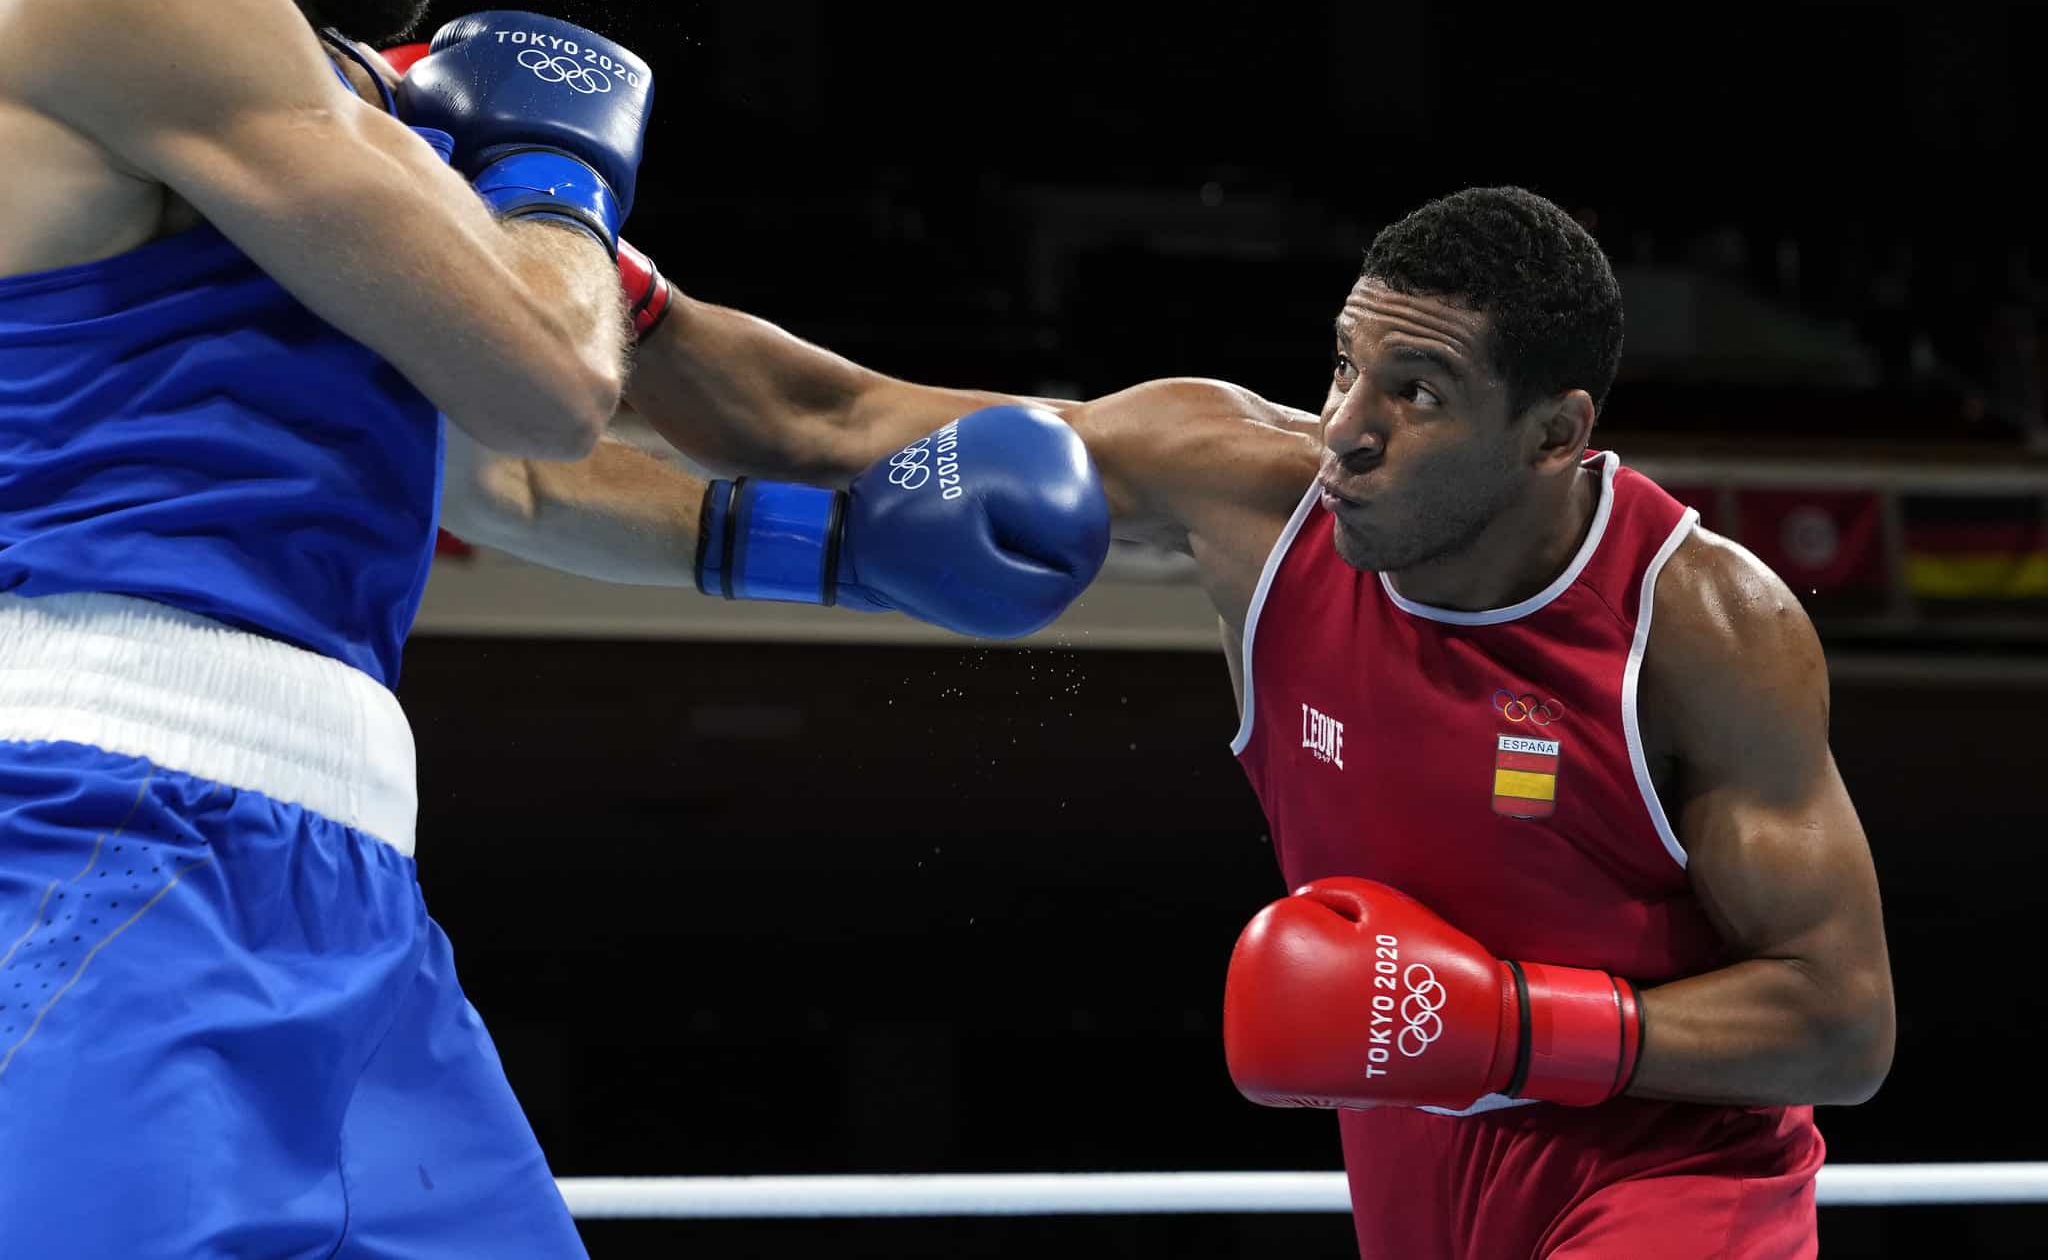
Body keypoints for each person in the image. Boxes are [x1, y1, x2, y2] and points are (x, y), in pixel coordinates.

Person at [0, 0, 1106, 1256]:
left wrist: (848, 553)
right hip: (94, 834)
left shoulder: (332, 94)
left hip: (347, 883)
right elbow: (548, 369)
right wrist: (556, 177)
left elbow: (507, 469)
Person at [584, 184, 1896, 1257]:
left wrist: (1511, 1025)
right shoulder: (1246, 493)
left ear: (1555, 437)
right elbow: (830, 421)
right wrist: (589, 262)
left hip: (1673, 1165)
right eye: (1344, 364)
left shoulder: (1704, 622)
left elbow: (1843, 1023)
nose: (1347, 431)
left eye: (1418, 394)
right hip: (1413, 1163)